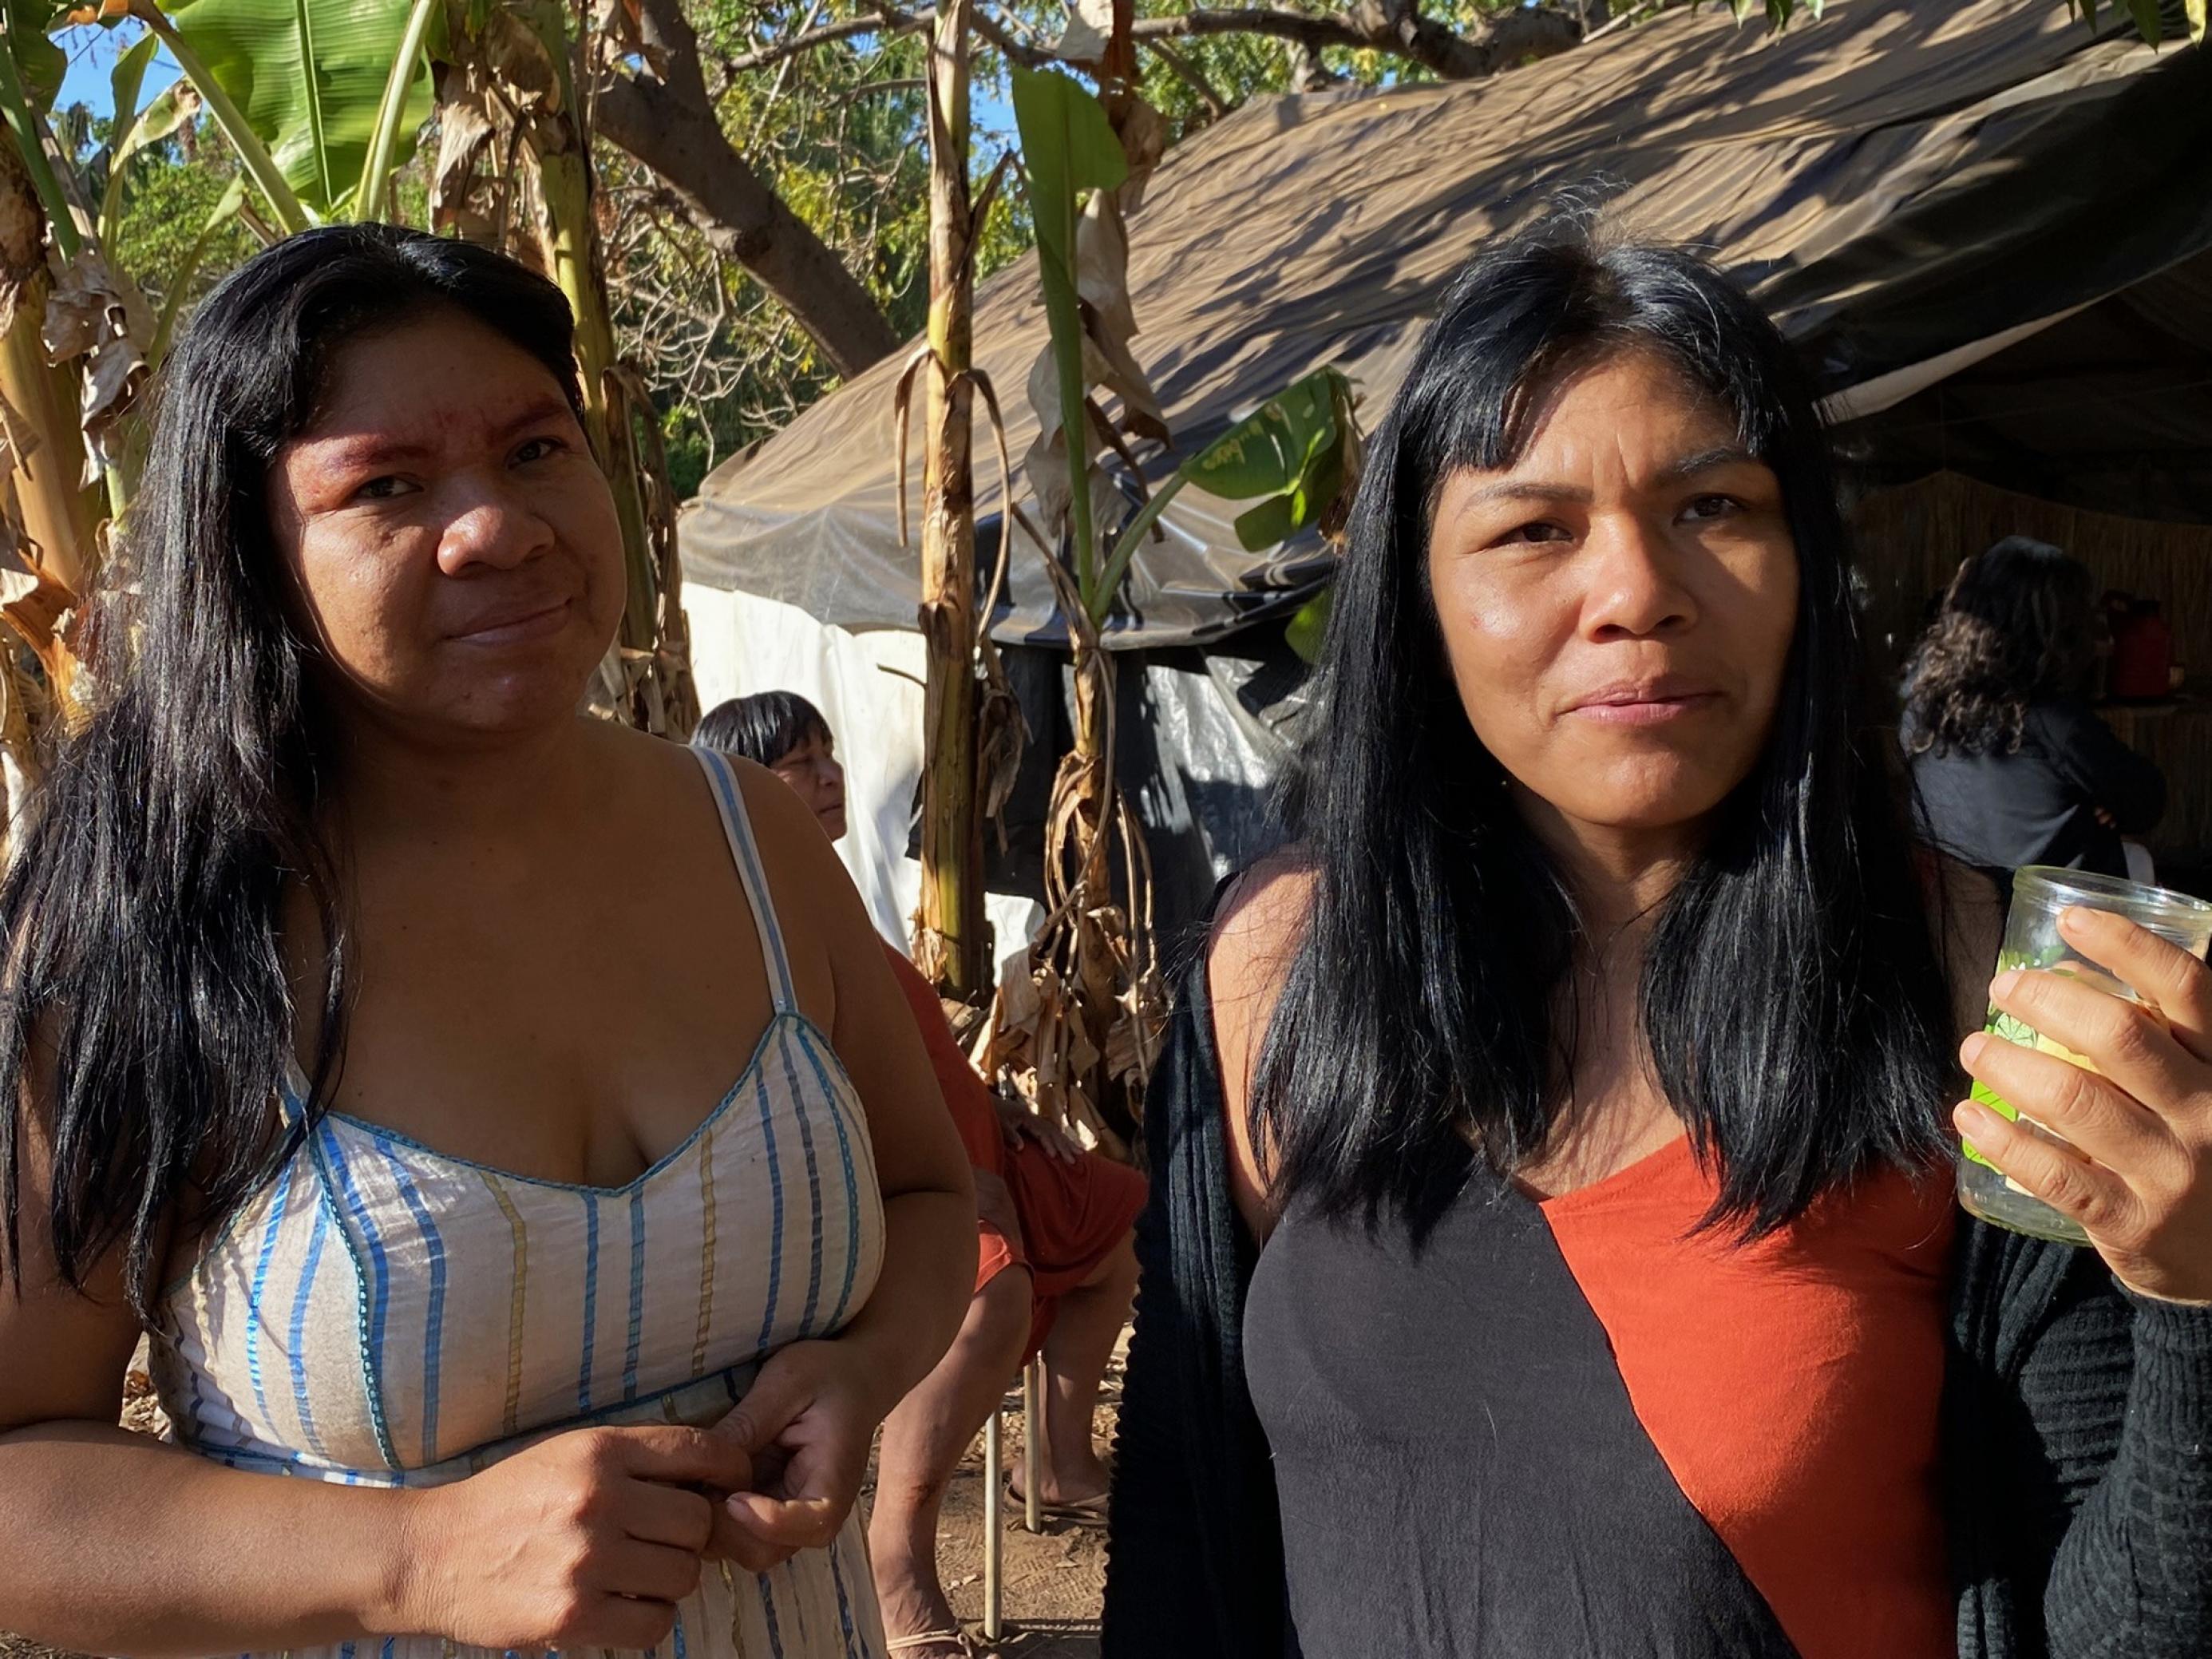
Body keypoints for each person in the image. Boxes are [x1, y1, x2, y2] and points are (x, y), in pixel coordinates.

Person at [1103, 224, 2212, 1659]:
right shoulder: (1278, 974)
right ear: (1417, 599)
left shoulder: (1972, 987)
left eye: (1713, 507)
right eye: (1532, 528)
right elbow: (1184, 1551)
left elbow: (2108, 1623)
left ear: (1806, 562)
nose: (1636, 590)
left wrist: (2194, 1290)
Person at [0, 226, 977, 1659]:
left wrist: (867, 1365)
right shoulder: (153, 925)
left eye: (535, 452)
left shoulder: (753, 844)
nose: (500, 527)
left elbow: (928, 1192)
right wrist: (414, 1559)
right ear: (255, 552)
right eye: (386, 485)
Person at [694, 692, 1145, 1658]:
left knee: (1112, 1228)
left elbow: (909, 1049)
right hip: (882, 1186)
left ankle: (1057, 1462)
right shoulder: (734, 921)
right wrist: (938, 1175)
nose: (826, 774)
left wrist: (999, 1108)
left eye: (827, 752)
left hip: (975, 1149)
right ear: (730, 791)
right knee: (987, 1297)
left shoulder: (830, 893)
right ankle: (893, 1559)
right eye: (794, 761)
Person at [1902, 537, 2165, 879]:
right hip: (2043, 918)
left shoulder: (1921, 701)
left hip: (1952, 904)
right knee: (2138, 861)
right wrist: (2101, 803)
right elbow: (2146, 801)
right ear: (2061, 629)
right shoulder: (2051, 718)